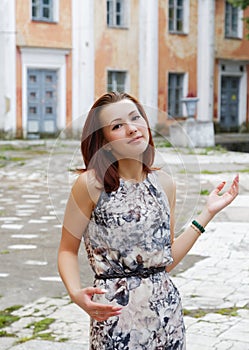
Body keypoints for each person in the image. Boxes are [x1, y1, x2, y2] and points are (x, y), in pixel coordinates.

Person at [58, 92, 239, 349]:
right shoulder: (90, 185)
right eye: (118, 125)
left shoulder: (164, 183)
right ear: (103, 140)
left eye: (136, 118)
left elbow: (165, 261)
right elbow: (66, 249)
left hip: (166, 313)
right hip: (117, 316)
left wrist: (207, 213)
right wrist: (76, 293)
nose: (132, 129)